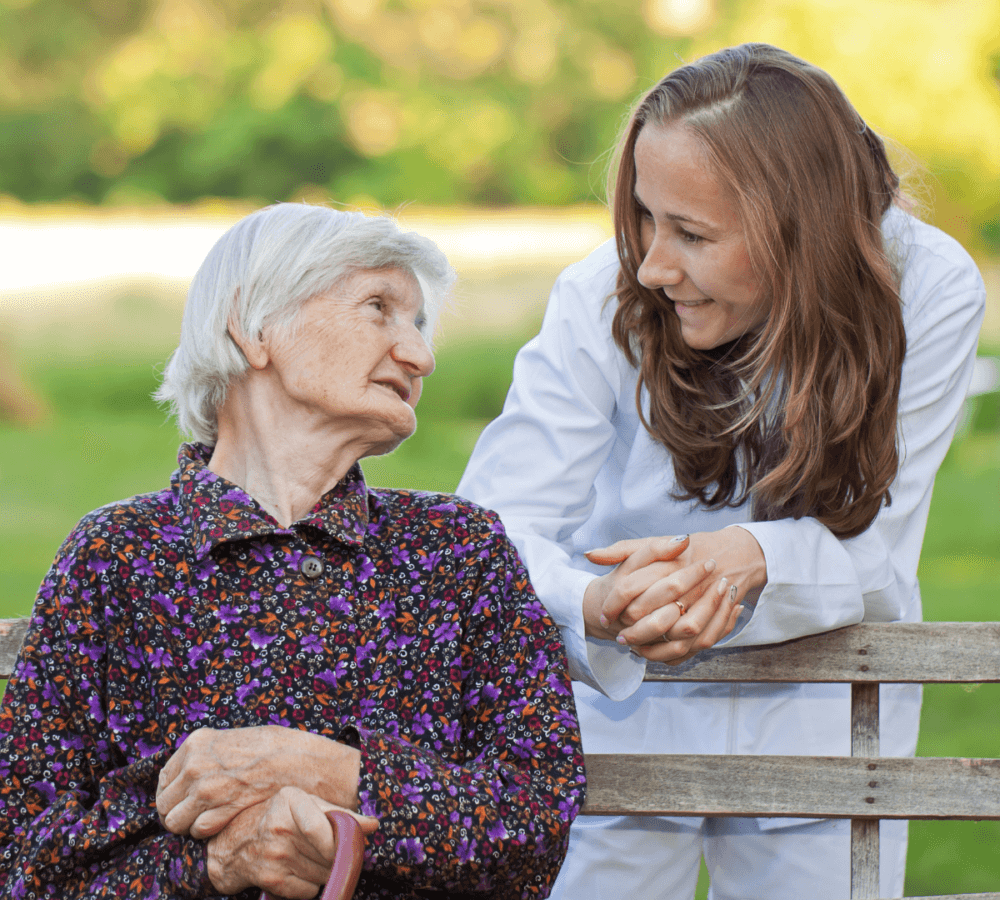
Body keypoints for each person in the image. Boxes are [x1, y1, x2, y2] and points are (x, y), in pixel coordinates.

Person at [458, 43, 986, 900]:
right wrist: (593, 602)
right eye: (643, 218)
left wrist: (751, 556)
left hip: (824, 710)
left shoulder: (924, 288)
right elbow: (489, 530)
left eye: (693, 234)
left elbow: (879, 544)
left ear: (798, 228)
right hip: (614, 713)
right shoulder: (604, 292)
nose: (654, 265)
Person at [0, 203, 586, 900]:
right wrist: (213, 865)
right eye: (380, 308)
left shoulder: (461, 551)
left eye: (420, 324)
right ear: (253, 327)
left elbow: (537, 822)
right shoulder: (116, 558)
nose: (420, 355)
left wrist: (323, 769)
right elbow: (24, 864)